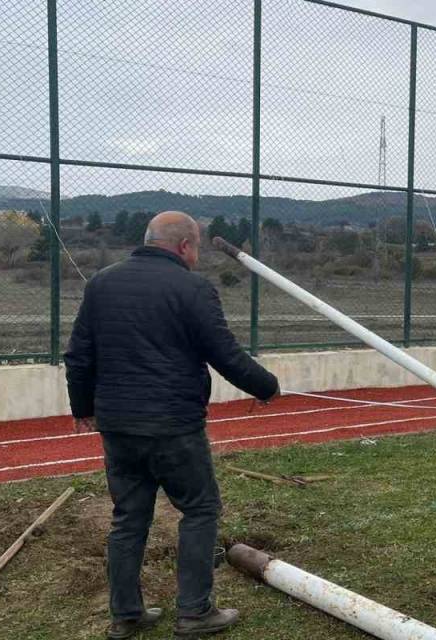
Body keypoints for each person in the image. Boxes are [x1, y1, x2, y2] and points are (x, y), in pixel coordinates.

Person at [65, 211, 279, 639]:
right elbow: (225, 354)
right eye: (196, 246)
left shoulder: (101, 283)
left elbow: (79, 356)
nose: (196, 255)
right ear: (184, 246)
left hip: (118, 426)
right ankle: (194, 612)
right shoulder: (193, 288)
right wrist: (266, 386)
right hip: (174, 426)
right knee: (199, 511)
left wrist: (82, 407)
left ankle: (125, 615)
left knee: (128, 519)